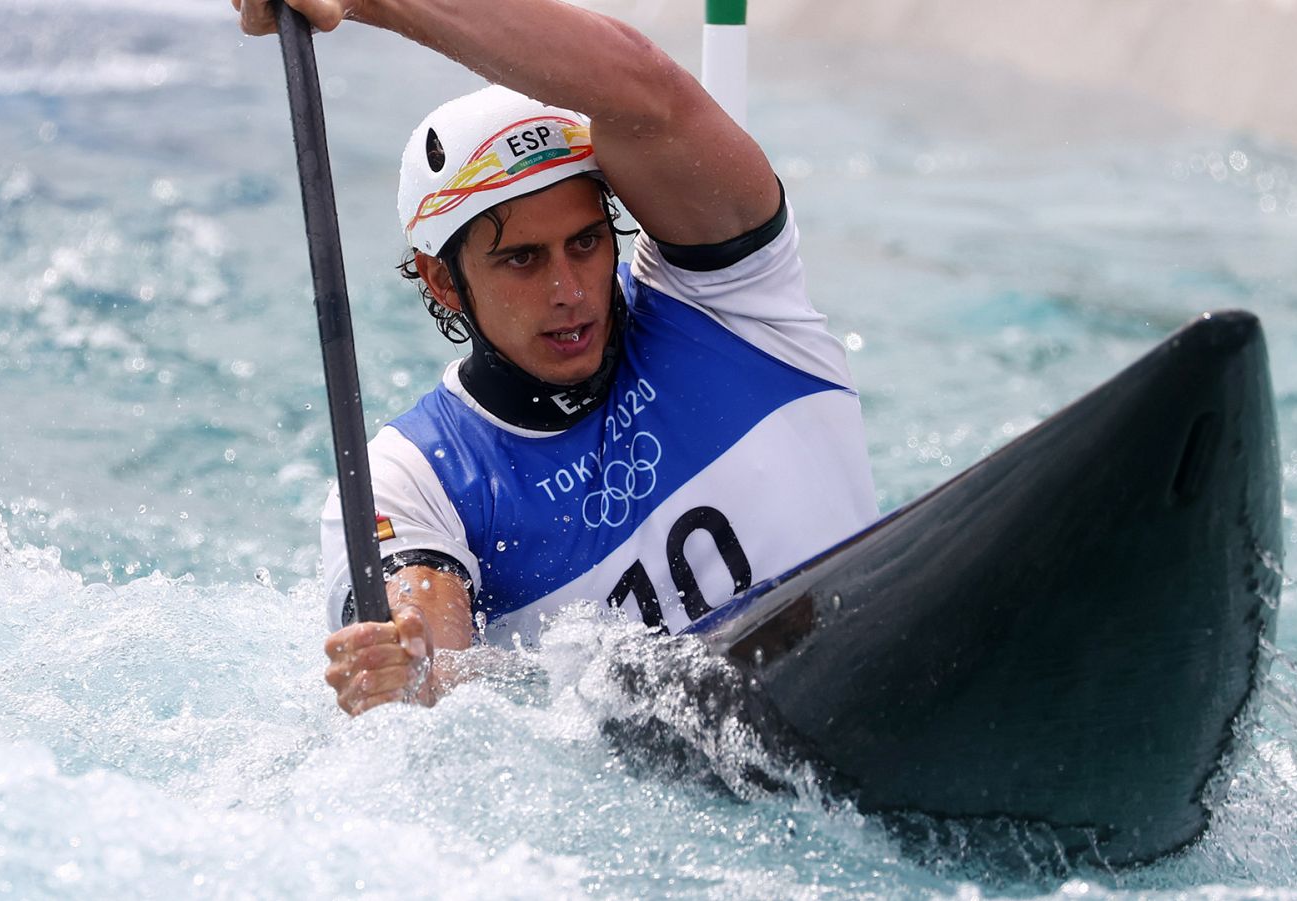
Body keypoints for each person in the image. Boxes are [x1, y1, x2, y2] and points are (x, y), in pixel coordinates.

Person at [234, 0, 877, 716]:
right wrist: (407, 670)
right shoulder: (412, 477)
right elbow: (432, 660)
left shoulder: (731, 301)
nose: (569, 291)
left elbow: (643, 90)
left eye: (586, 242)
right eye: (522, 259)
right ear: (443, 280)